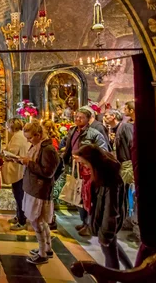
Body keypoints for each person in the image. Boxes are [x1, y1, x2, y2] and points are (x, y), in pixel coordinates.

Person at [77, 144, 133, 272]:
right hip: (104, 219)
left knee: (109, 252)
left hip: (107, 222)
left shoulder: (109, 179)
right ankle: (130, 270)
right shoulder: (103, 174)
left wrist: (105, 232)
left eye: (85, 163)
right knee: (112, 245)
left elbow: (110, 210)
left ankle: (112, 277)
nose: (84, 166)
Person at [61, 107, 109, 236]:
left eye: (81, 117)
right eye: (76, 116)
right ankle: (84, 221)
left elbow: (103, 151)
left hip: (88, 170)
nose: (77, 119)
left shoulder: (94, 133)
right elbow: (68, 147)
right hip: (76, 168)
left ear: (88, 119)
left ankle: (90, 224)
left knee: (89, 197)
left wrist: (86, 158)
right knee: (79, 195)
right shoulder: (72, 131)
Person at [18, 122, 60, 265]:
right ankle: (46, 248)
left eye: (30, 138)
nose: (28, 141)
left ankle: (42, 254)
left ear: (38, 135)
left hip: (40, 189)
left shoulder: (48, 149)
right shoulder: (38, 146)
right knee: (40, 221)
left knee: (37, 222)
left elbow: (48, 172)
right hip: (33, 187)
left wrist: (28, 163)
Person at [1, 118, 29, 231]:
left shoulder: (18, 136)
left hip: (18, 169)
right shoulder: (20, 135)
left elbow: (12, 153)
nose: (6, 128)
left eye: (7, 126)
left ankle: (22, 221)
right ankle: (19, 216)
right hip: (19, 168)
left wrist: (4, 153)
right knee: (17, 194)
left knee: (19, 196)